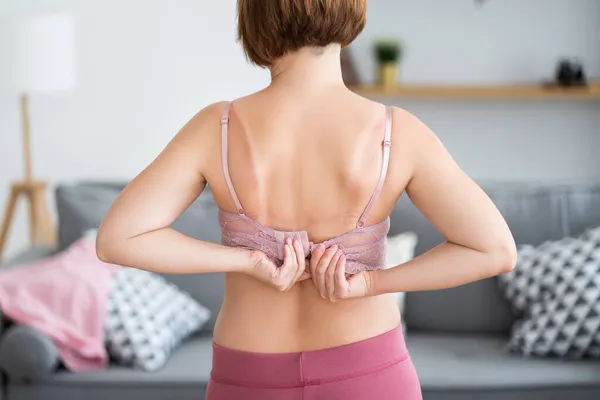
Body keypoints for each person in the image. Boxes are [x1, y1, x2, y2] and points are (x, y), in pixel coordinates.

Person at [96, 1, 517, 399]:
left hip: (247, 377)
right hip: (370, 373)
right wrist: (371, 283)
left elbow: (118, 237)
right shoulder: (398, 132)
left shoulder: (217, 128)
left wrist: (247, 260)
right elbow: (493, 249)